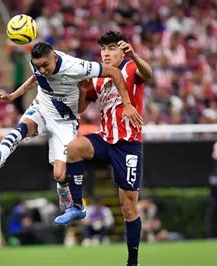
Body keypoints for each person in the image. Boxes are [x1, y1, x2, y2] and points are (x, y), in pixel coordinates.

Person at [0, 41, 142, 211]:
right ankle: (0, 155)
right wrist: (13, 95)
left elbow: (113, 72)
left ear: (55, 57)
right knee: (22, 128)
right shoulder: (37, 63)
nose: (43, 70)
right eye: (38, 66)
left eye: (45, 65)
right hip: (43, 108)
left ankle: (63, 189)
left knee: (59, 174)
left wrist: (127, 104)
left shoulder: (76, 67)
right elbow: (35, 77)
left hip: (65, 120)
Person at [54, 31, 153, 266]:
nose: (106, 54)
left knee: (129, 207)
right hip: (105, 139)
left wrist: (135, 55)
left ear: (122, 51)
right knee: (75, 148)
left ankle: (133, 261)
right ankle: (77, 206)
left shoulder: (130, 67)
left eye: (111, 49)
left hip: (128, 145)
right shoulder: (97, 75)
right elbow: (79, 108)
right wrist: (81, 88)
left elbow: (148, 74)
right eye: (104, 49)